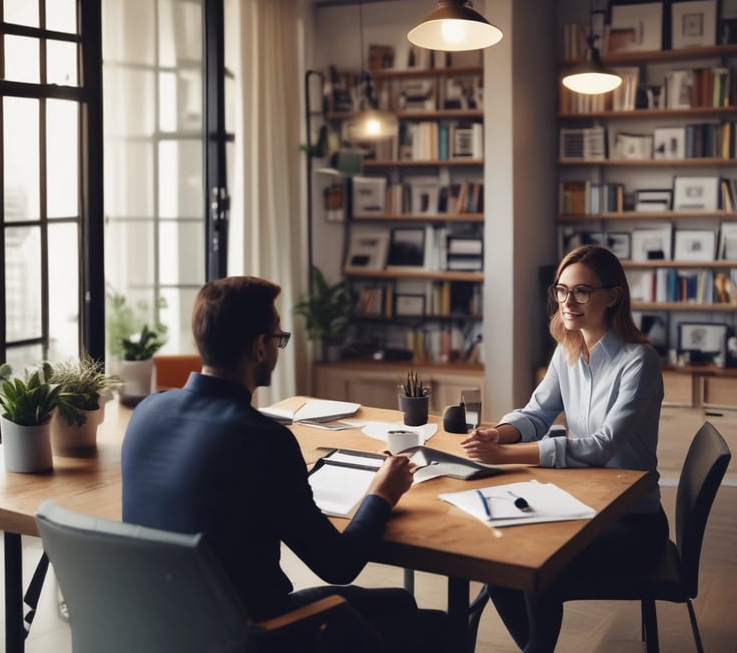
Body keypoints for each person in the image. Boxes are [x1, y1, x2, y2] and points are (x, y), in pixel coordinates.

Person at [122, 276, 447, 652]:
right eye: (278, 337)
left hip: (165, 628)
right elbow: (338, 565)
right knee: (434, 626)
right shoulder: (262, 439)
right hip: (255, 634)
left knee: (399, 602)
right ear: (260, 347)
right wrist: (382, 492)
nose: (278, 346)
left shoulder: (148, 412)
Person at [461, 245, 669, 653]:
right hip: (584, 504)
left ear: (613, 296)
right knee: (503, 562)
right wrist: (499, 434)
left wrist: (508, 456)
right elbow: (537, 413)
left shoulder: (639, 361)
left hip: (633, 525)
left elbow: (601, 446)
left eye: (581, 292)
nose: (567, 302)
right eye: (561, 290)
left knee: (533, 567)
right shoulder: (568, 350)